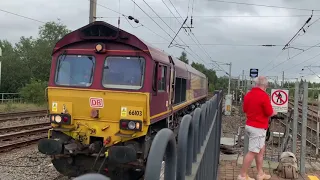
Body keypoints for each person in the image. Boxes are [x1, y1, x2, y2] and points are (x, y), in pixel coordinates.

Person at [237, 76, 277, 180]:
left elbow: (245, 109)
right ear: (265, 85)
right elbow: (269, 112)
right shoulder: (264, 96)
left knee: (260, 149)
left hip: (250, 125)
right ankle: (242, 175)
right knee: (253, 151)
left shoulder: (248, 94)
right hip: (258, 128)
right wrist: (274, 112)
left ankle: (260, 173)